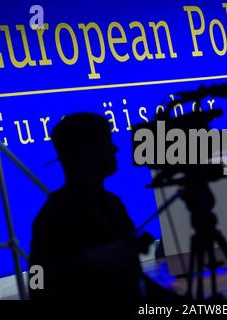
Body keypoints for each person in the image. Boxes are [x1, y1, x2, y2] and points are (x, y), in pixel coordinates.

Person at [29, 113, 173, 300]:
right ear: (87, 151)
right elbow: (37, 282)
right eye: (106, 142)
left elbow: (133, 278)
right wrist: (91, 261)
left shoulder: (112, 203)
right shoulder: (54, 215)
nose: (115, 148)